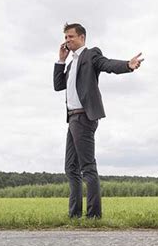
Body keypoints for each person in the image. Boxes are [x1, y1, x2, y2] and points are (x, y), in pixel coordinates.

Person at [53, 23, 143, 218]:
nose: (67, 40)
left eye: (71, 37)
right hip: (72, 119)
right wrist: (61, 60)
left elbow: (107, 64)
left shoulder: (91, 54)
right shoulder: (70, 63)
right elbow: (58, 86)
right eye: (66, 37)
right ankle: (74, 215)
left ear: (82, 38)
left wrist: (127, 65)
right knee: (71, 168)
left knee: (87, 167)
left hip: (84, 117)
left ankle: (94, 216)